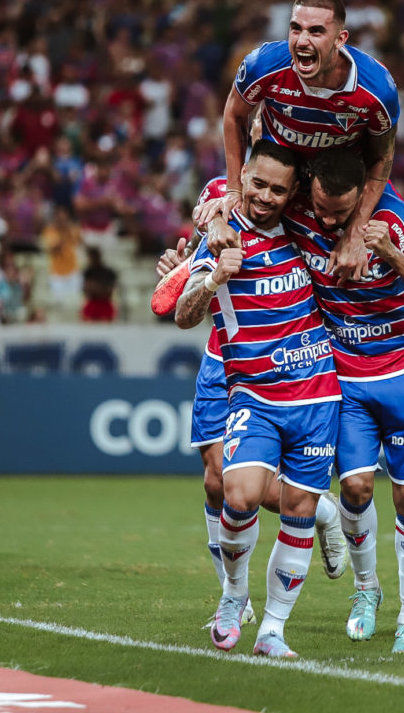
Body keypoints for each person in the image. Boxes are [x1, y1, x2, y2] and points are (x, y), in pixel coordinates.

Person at [214, 147, 404, 653]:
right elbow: (239, 190)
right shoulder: (297, 205)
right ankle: (367, 592)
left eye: (340, 214)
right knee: (357, 488)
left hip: (403, 366)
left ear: (361, 197)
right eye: (320, 208)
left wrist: (390, 254)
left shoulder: (392, 218)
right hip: (343, 373)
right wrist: (210, 216)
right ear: (311, 188)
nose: (326, 220)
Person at [152, 177, 347, 630]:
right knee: (216, 482)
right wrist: (188, 266)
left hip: (284, 362)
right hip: (224, 356)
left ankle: (314, 513)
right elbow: (209, 233)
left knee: (248, 487)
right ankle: (237, 596)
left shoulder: (294, 191)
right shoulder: (219, 187)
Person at [218, 0, 399, 282]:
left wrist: (355, 230)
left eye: (316, 32)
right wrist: (233, 190)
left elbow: (383, 156)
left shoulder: (377, 90)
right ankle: (182, 264)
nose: (302, 41)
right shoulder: (262, 65)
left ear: (340, 40)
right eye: (296, 29)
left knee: (366, 260)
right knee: (221, 220)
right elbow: (234, 113)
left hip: (337, 186)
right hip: (280, 175)